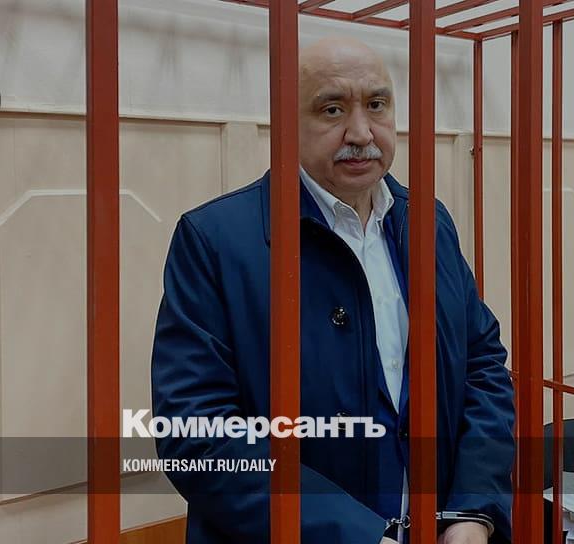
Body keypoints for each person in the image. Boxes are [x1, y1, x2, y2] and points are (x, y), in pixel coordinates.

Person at [151, 36, 515, 544]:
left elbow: (483, 366)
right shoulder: (215, 240)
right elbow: (198, 434)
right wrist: (358, 536)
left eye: (377, 104)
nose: (361, 133)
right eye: (332, 109)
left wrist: (473, 511)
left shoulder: (427, 223)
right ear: (287, 124)